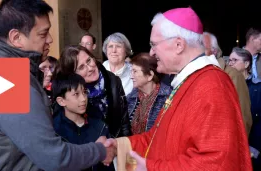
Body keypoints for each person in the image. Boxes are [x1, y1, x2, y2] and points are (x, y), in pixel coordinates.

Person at [0, 0, 114, 170]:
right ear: (16, 38)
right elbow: (53, 157)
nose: (50, 39)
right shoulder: (2, 78)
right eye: (43, 34)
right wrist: (99, 151)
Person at [105, 7, 252, 171]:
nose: (152, 52)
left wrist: (149, 167)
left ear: (178, 45)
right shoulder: (187, 81)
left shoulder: (212, 85)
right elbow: (158, 138)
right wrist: (118, 145)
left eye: (154, 44)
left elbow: (215, 162)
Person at [56, 45, 132, 138]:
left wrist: (125, 144)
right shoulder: (69, 95)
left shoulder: (113, 80)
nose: (90, 68)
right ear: (73, 74)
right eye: (81, 67)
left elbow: (124, 120)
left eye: (89, 60)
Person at [52, 73, 115, 171]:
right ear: (61, 101)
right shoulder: (53, 132)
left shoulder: (100, 127)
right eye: (76, 94)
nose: (83, 99)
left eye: (84, 92)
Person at [203, 32, 252, 136]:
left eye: (201, 47)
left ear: (214, 51)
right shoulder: (194, 74)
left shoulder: (233, 75)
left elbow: (243, 117)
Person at [229, 47, 261, 170]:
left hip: (252, 148)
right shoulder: (227, 83)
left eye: (235, 60)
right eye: (229, 60)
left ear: (246, 64)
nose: (230, 63)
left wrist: (254, 147)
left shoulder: (257, 88)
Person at [127, 53, 171, 134]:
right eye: (131, 71)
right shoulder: (130, 98)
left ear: (150, 75)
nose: (131, 76)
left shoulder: (168, 97)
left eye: (135, 71)